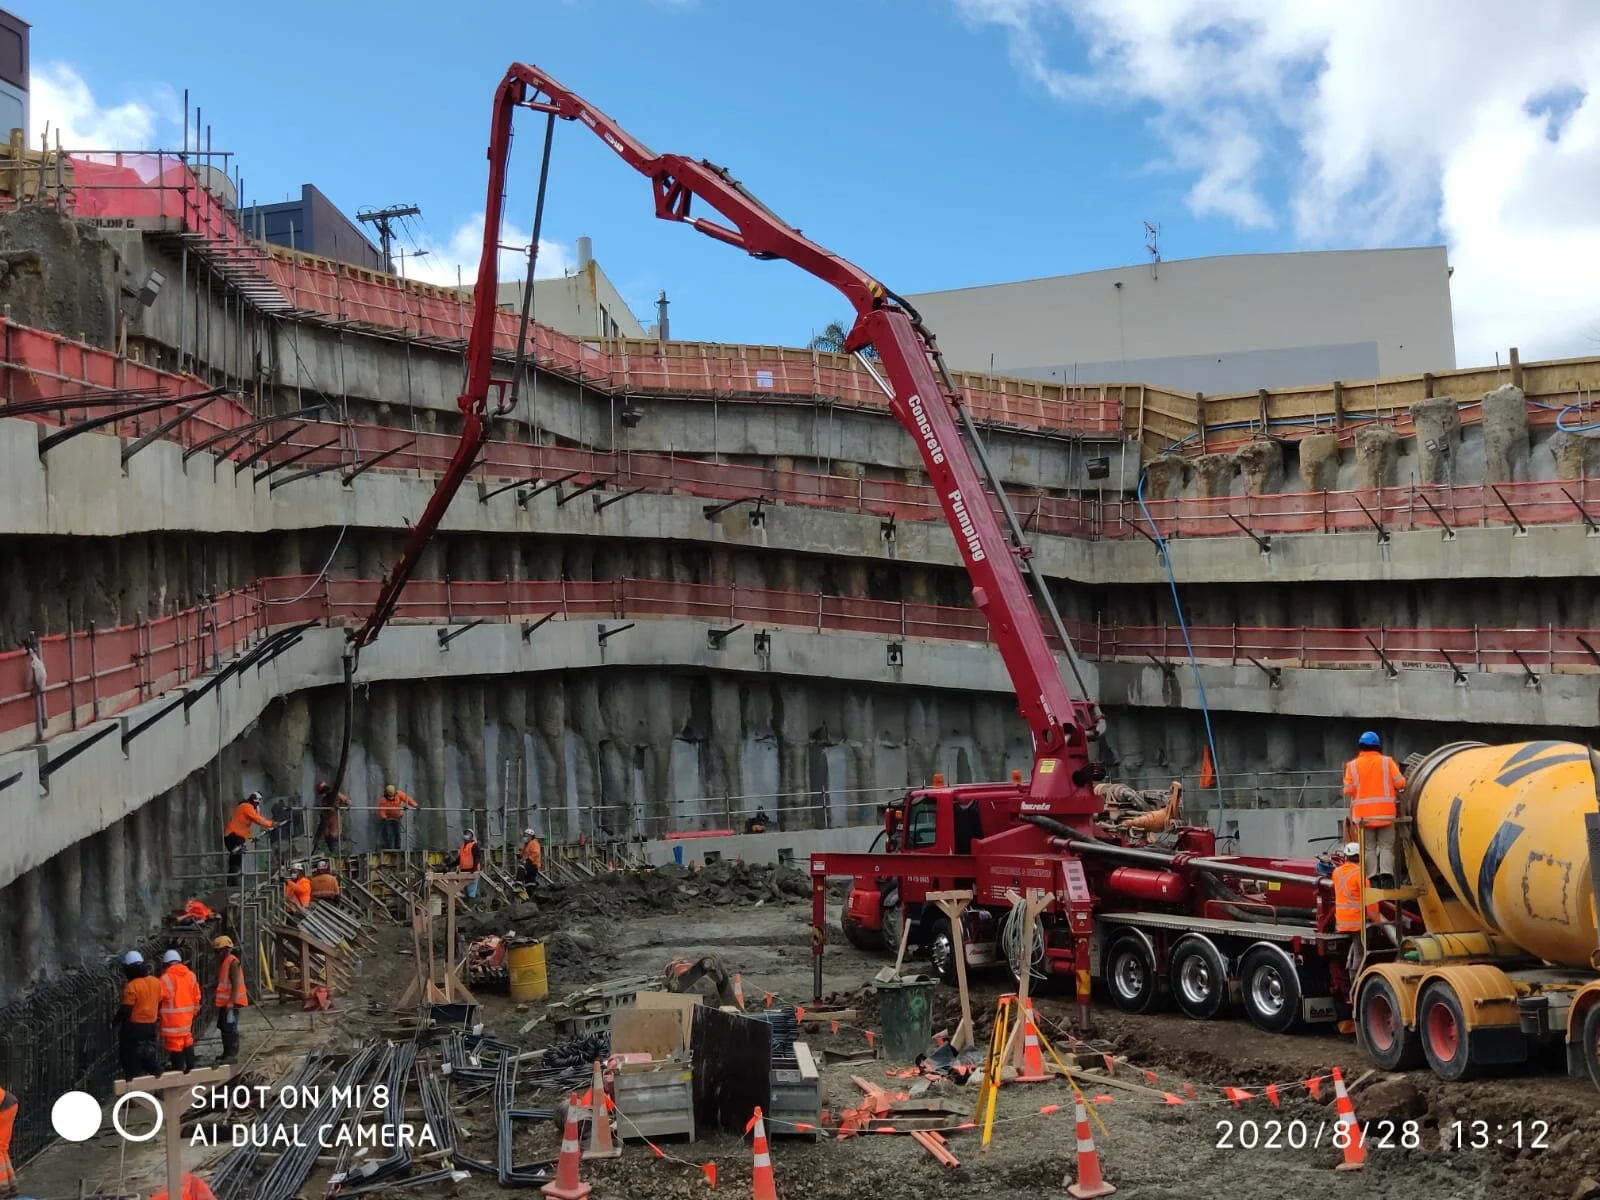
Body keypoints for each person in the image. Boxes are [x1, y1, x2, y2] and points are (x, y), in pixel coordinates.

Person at [1343, 731, 1406, 888]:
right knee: (1386, 846)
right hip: (1386, 815)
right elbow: (1401, 784)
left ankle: (1372, 878)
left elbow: (1348, 790)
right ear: (1378, 746)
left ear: (1360, 747)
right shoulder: (1387, 762)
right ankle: (1387, 877)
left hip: (1363, 818)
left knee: (1368, 848)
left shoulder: (1352, 766)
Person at [115, 949, 163, 1080]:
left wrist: (115, 1021)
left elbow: (126, 1010)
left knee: (131, 1059)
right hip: (151, 1026)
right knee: (148, 1056)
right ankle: (158, 1080)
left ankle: (135, 1089)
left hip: (134, 1028)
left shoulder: (132, 986)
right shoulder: (155, 982)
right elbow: (160, 1000)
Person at [158, 948, 202, 1073]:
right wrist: (193, 1011)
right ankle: (190, 1067)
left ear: (166, 964)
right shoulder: (191, 975)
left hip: (172, 1021)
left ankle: (178, 1070)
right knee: (187, 1040)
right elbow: (197, 995)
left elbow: (159, 997)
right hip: (187, 1018)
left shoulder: (165, 979)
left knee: (175, 1044)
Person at [223, 792, 274, 888]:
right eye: (257, 803)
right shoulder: (246, 806)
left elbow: (246, 827)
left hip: (237, 836)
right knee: (236, 857)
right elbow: (257, 819)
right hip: (233, 836)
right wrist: (271, 824)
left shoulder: (247, 807)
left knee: (236, 858)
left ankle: (232, 881)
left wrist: (251, 838)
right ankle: (233, 882)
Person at [212, 935, 248, 1065]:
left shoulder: (232, 962)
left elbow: (235, 984)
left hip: (231, 1004)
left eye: (218, 951)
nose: (217, 954)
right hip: (225, 1003)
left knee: (230, 1029)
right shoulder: (225, 962)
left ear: (225, 949)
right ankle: (226, 1053)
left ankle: (231, 1054)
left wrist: (231, 1002)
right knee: (224, 1027)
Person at [314, 780, 350, 858]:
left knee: (334, 844)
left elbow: (347, 802)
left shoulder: (336, 795)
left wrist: (343, 806)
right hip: (327, 827)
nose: (326, 792)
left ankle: (335, 856)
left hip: (334, 827)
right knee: (329, 843)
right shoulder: (324, 800)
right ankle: (331, 855)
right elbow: (324, 811)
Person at [377, 783, 418, 852]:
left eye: (392, 796)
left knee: (398, 834)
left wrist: (416, 805)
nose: (391, 798)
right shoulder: (383, 800)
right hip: (387, 819)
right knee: (389, 834)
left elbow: (408, 799)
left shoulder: (399, 794)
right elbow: (382, 810)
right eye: (390, 796)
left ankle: (397, 849)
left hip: (397, 818)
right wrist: (384, 817)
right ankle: (390, 849)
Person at [0, 1082, 16, 1198]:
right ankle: (12, 1184)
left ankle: (2, 1186)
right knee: (3, 1147)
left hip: (4, 1108)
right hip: (9, 1104)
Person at [458, 830, 483, 899]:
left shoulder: (474, 845)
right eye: (465, 834)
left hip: (472, 871)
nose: (466, 835)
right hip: (463, 871)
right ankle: (468, 903)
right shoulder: (462, 846)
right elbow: (459, 859)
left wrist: (474, 868)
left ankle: (472, 904)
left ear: (472, 836)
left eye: (468, 834)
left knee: (472, 890)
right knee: (465, 890)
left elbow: (477, 857)